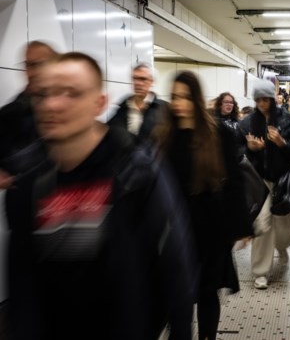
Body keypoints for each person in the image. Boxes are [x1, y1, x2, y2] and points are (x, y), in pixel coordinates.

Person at [7, 52, 197, 339]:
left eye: (71, 93)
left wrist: (181, 329)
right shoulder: (29, 180)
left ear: (99, 103)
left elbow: (174, 259)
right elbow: (22, 276)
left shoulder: (135, 171)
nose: (53, 104)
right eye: (45, 93)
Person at [156, 71, 252, 340]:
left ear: (196, 99)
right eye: (174, 96)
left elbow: (234, 180)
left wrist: (242, 226)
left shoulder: (215, 132)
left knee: (208, 292)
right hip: (176, 227)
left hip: (211, 225)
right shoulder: (164, 134)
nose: (178, 103)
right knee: (179, 293)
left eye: (185, 97)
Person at [239, 80, 290, 290]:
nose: (262, 104)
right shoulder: (247, 123)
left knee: (285, 227)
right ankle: (260, 271)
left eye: (265, 99)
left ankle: (281, 247)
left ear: (271, 100)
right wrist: (251, 148)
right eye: (258, 100)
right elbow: (238, 154)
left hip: (282, 180)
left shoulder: (285, 120)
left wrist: (281, 143)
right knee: (262, 225)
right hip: (259, 182)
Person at [0, 41, 57, 190]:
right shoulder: (10, 113)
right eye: (28, 65)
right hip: (24, 204)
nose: (31, 73)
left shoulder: (73, 108)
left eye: (39, 65)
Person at [108, 63, 167, 144]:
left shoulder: (163, 109)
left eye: (142, 79)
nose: (138, 83)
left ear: (152, 81)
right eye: (134, 79)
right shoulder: (123, 107)